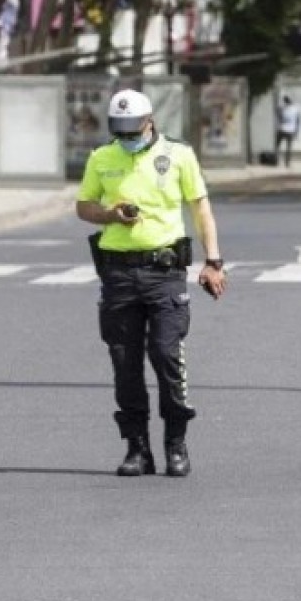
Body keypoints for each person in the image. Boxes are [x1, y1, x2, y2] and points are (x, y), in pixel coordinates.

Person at [75, 89, 228, 478]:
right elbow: (84, 206)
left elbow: (200, 207)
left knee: (165, 356)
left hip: (165, 273)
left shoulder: (178, 155)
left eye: (133, 129)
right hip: (119, 275)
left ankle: (176, 444)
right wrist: (110, 214)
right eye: (120, 130)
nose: (127, 137)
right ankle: (137, 448)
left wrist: (213, 261)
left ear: (150, 121)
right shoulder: (102, 157)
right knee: (125, 364)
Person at [276, 95, 300, 167]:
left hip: (282, 129)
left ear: (285, 101)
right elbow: (298, 121)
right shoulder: (296, 109)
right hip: (291, 130)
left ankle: (277, 161)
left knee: (277, 145)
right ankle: (287, 163)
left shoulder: (281, 108)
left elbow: (279, 117)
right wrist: (296, 131)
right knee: (288, 147)